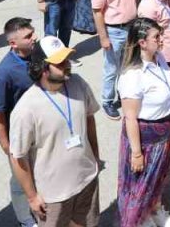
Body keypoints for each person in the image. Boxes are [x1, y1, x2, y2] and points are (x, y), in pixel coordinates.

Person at [10, 36, 102, 227]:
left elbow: (89, 119)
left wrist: (96, 158)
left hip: (87, 180)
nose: (67, 64)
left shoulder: (78, 83)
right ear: (42, 68)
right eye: (60, 62)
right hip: (53, 194)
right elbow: (18, 156)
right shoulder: (26, 108)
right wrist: (32, 196)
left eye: (67, 59)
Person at [116, 18, 170, 227]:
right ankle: (138, 221)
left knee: (159, 176)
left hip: (166, 130)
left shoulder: (158, 58)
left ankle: (155, 209)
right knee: (140, 185)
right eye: (156, 37)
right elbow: (130, 118)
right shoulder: (132, 75)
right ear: (142, 42)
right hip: (145, 138)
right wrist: (136, 153)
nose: (161, 40)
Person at [0, 18, 40, 227]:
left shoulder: (38, 54)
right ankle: (25, 220)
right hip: (20, 136)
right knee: (21, 181)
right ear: (13, 44)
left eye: (32, 32)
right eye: (28, 36)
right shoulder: (3, 73)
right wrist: (6, 145)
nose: (34, 37)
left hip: (42, 130)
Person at [90, 0, 139, 120]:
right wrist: (103, 37)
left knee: (130, 66)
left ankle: (125, 95)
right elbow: (97, 12)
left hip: (131, 28)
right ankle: (108, 100)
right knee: (112, 68)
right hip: (114, 31)